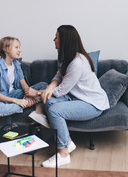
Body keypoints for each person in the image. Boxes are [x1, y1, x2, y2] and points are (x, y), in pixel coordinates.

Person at [38, 25, 110, 167]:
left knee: (53, 110)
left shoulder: (77, 62)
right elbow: (58, 76)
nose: (54, 40)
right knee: (47, 97)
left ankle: (63, 153)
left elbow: (62, 91)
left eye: (56, 37)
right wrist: (48, 88)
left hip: (92, 104)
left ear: (65, 41)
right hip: (77, 98)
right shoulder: (69, 57)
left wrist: (40, 93)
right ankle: (68, 142)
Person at [0, 36, 48, 124]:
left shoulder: (16, 64)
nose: (19, 50)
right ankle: (30, 103)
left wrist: (27, 95)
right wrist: (18, 101)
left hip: (14, 93)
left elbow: (24, 85)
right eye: (16, 47)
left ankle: (28, 104)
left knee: (43, 85)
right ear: (5, 49)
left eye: (19, 47)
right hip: (0, 99)